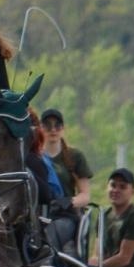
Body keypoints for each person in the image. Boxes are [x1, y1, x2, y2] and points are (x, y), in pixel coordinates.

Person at [39, 107, 93, 253]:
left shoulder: (74, 156)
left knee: (54, 231)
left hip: (64, 217)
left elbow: (86, 195)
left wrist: (68, 202)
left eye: (57, 125)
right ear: (40, 128)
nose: (53, 129)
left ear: (63, 128)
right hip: (37, 216)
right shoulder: (33, 158)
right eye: (47, 125)